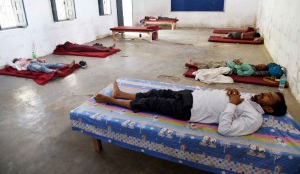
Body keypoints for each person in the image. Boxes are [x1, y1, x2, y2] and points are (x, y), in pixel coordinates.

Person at [93, 80, 287, 136]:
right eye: (267, 92)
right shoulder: (252, 100)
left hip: (191, 110)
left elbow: (225, 129)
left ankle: (111, 101)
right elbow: (232, 99)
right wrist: (230, 93)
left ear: (269, 109)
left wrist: (231, 103)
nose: (264, 93)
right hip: (193, 95)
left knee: (152, 103)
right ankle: (122, 94)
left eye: (269, 97)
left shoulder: (255, 118)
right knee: (158, 92)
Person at [185, 59, 255, 76]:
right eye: (261, 64)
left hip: (227, 67)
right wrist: (235, 61)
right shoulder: (250, 65)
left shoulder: (251, 71)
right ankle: (194, 63)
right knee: (210, 63)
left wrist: (238, 65)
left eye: (261, 66)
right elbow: (239, 63)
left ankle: (192, 65)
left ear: (260, 69)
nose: (260, 65)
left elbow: (240, 74)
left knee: (209, 66)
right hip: (227, 63)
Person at [9, 58, 75, 74]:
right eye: (18, 58)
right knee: (42, 68)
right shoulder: (17, 63)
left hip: (34, 63)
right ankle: (54, 71)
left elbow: (33, 60)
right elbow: (22, 64)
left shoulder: (24, 59)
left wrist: (39, 59)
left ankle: (67, 65)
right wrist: (25, 59)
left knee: (52, 64)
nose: (20, 58)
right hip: (30, 66)